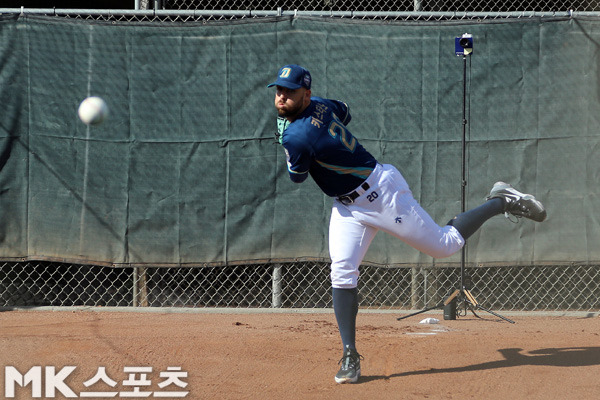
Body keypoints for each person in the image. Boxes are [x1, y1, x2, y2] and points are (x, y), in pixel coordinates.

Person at [267, 64, 546, 384]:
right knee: (342, 272)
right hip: (347, 206)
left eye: (289, 91)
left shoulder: (297, 136)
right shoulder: (320, 105)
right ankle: (349, 354)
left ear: (306, 93)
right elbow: (345, 111)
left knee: (445, 246)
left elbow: (297, 176)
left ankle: (502, 201)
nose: (282, 97)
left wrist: (285, 137)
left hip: (381, 195)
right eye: (279, 91)